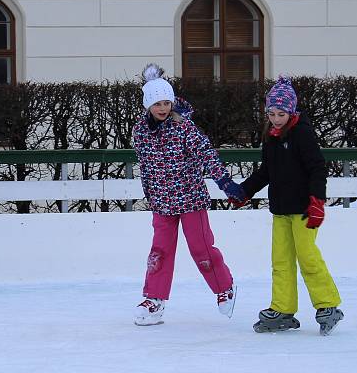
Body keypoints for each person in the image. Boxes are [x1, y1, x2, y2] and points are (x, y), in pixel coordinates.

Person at [132, 64, 243, 326]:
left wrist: (224, 181)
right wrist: (150, 193)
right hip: (162, 202)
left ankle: (224, 288)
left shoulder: (184, 128)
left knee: (201, 248)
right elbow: (145, 165)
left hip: (191, 198)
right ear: (148, 105)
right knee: (159, 251)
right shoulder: (140, 131)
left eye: (166, 103)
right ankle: (154, 300)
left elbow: (206, 154)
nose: (162, 108)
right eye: (157, 103)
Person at [235, 76, 343, 335]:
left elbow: (318, 168)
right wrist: (244, 192)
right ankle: (282, 308)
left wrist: (317, 201)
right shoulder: (271, 136)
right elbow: (266, 172)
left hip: (305, 210)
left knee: (307, 257)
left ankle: (328, 305)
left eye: (280, 113)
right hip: (281, 210)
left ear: (291, 111)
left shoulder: (302, 133)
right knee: (280, 261)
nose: (275, 118)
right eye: (271, 113)